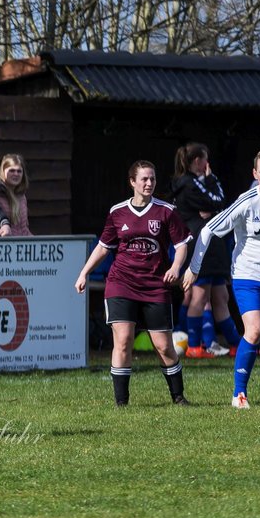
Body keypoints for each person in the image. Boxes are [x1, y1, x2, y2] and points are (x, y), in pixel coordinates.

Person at [75, 161, 192, 406]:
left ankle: (178, 398)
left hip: (155, 284)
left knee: (163, 346)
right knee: (124, 340)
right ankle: (122, 403)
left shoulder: (166, 211)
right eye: (144, 179)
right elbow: (104, 247)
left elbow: (181, 244)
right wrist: (84, 272)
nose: (149, 183)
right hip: (121, 283)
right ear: (132, 182)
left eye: (152, 179)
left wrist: (175, 267)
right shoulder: (117, 212)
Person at [182, 150, 260, 409]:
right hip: (248, 276)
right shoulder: (246, 202)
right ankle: (239, 394)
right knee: (255, 330)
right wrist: (194, 268)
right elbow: (209, 229)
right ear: (255, 174)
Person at [170, 142, 237, 359]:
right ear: (198, 161)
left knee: (221, 295)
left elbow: (218, 206)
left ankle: (236, 344)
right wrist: (210, 180)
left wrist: (215, 208)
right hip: (200, 245)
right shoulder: (187, 183)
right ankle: (194, 346)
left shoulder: (195, 183)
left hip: (214, 247)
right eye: (205, 159)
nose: (208, 164)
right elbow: (218, 199)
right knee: (198, 296)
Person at [0, 154, 32, 236]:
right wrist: (5, 238)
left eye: (19, 171)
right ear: (3, 171)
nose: (16, 174)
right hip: (0, 244)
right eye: (12, 170)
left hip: (21, 245)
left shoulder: (22, 196)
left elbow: (24, 228)